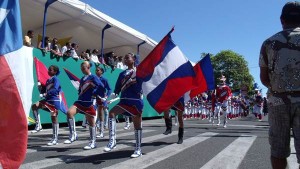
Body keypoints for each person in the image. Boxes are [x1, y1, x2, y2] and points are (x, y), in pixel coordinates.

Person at [259, 2, 300, 168]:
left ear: (282, 19)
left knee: (278, 151)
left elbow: (264, 78)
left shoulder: (269, 43)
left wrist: (279, 88)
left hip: (278, 101)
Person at [103, 53, 143, 158]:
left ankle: (138, 149)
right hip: (124, 101)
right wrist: (109, 99)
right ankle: (112, 141)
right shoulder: (122, 74)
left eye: (127, 57)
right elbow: (117, 89)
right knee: (111, 113)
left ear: (134, 59)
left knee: (137, 126)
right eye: (124, 58)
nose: (125, 59)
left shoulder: (138, 72)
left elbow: (142, 86)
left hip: (135, 102)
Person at [64, 61, 104, 150]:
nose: (82, 69)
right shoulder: (82, 79)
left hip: (89, 102)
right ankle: (73, 135)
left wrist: (94, 93)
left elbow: (101, 86)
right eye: (81, 68)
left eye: (84, 68)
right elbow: (80, 89)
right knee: (69, 113)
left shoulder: (93, 77)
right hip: (80, 101)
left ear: (88, 67)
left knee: (91, 122)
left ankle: (93, 142)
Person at [31, 65, 67, 146]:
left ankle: (55, 139)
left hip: (54, 101)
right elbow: (44, 91)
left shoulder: (55, 79)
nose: (48, 71)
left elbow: (55, 89)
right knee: (34, 106)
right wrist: (40, 86)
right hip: (48, 100)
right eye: (48, 69)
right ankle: (38, 125)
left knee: (54, 118)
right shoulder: (48, 80)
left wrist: (45, 93)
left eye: (50, 70)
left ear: (55, 72)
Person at [95, 67, 112, 138]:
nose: (96, 71)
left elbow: (109, 89)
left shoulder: (104, 80)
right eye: (96, 70)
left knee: (101, 114)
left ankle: (101, 132)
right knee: (94, 114)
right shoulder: (93, 78)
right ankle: (96, 128)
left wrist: (105, 97)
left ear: (101, 71)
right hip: (94, 98)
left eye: (98, 70)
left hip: (101, 99)